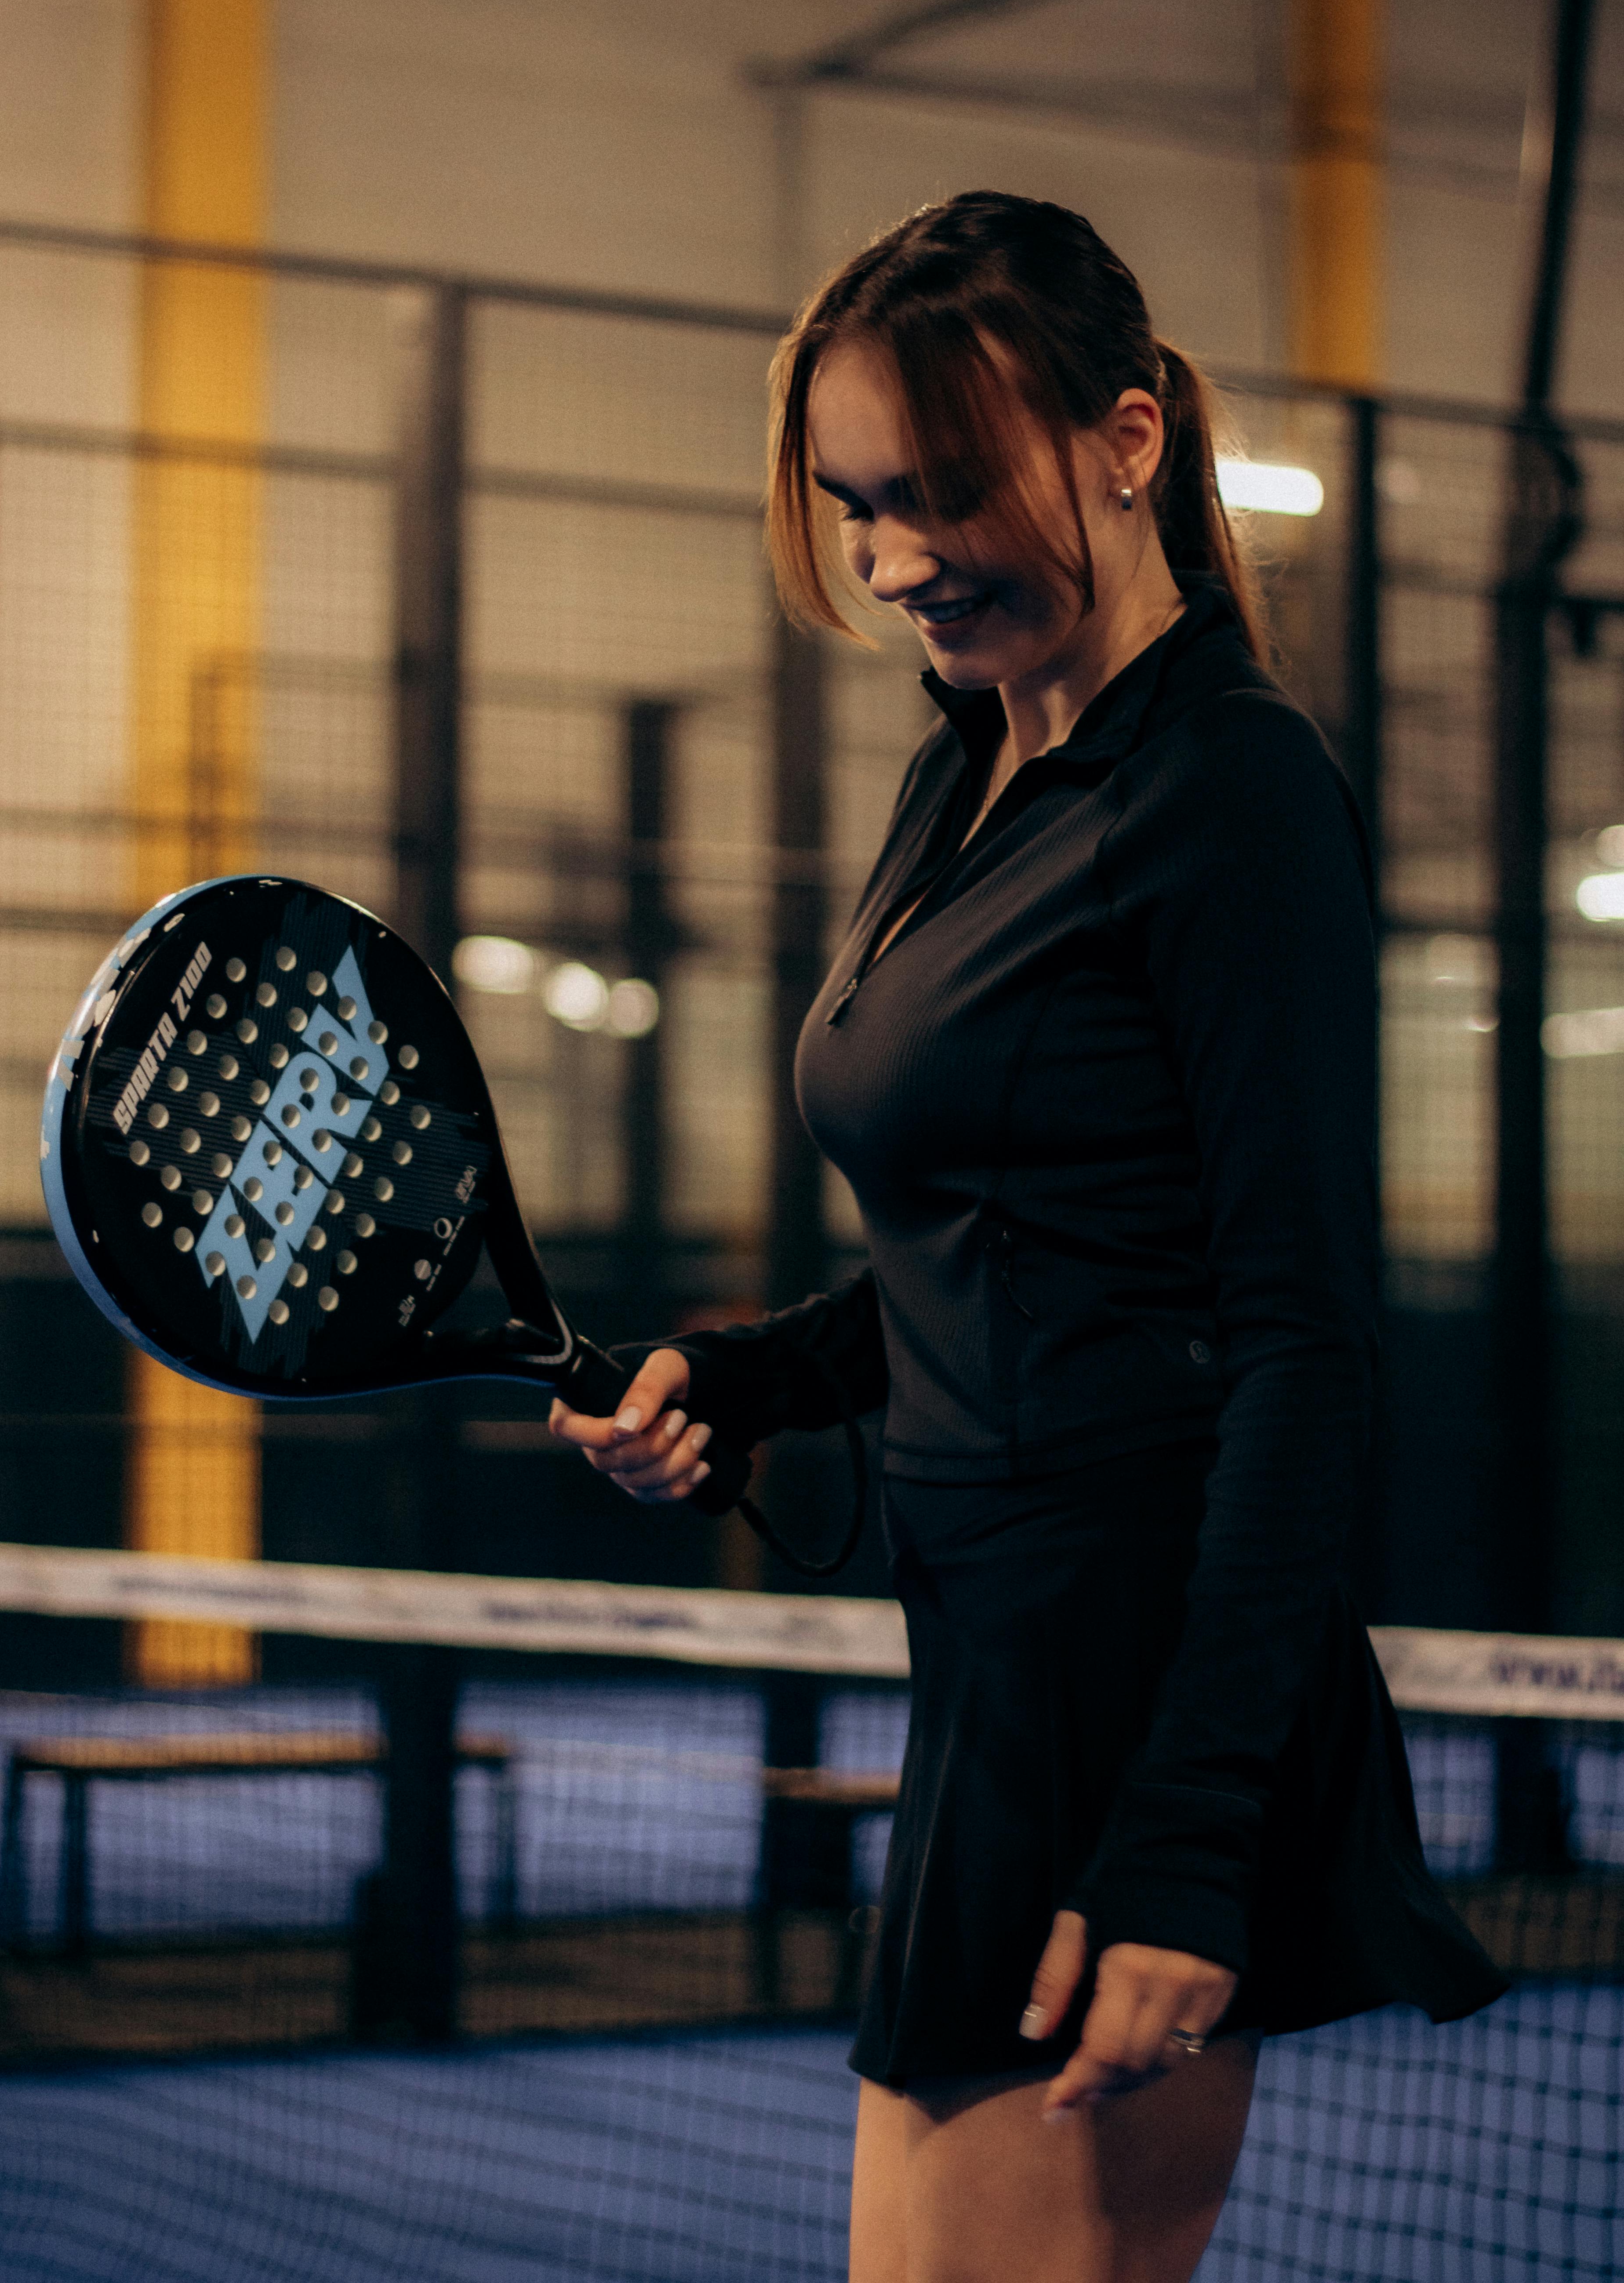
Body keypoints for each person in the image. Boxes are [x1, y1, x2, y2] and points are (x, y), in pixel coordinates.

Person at [549, 192, 1505, 2282]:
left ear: (1129, 441)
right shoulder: (965, 774)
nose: (896, 558)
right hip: (987, 1663)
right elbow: (1009, 1261)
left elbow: (1295, 1340)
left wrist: (1183, 1844)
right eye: (857, 503)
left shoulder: (1231, 796)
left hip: (1135, 1685)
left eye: (945, 492)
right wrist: (742, 1378)